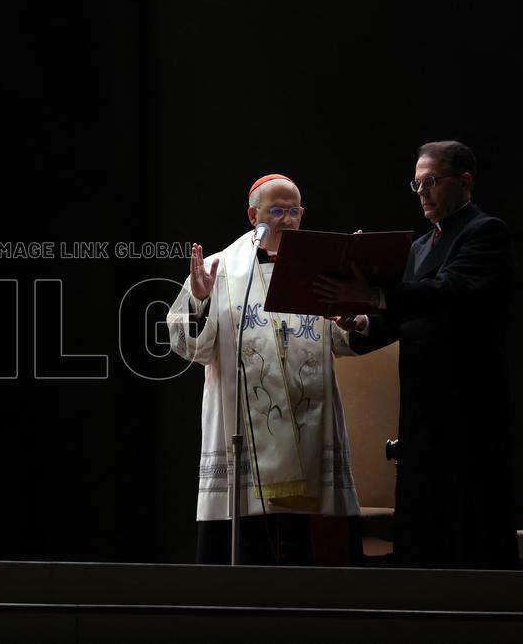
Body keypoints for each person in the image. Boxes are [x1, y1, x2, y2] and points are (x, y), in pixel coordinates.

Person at [314, 141, 517, 569]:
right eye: (417, 183)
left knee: (468, 510)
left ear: (464, 182)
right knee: (423, 507)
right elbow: (397, 316)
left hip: (470, 400)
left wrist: (374, 295)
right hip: (422, 403)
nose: (422, 192)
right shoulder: (420, 246)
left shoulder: (486, 231)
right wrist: (361, 320)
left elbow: (450, 291)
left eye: (432, 182)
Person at [167, 174, 361, 565]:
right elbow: (192, 348)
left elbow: (342, 343)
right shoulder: (218, 269)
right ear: (252, 214)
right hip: (242, 425)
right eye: (276, 211)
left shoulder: (322, 266)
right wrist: (200, 302)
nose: (287, 220)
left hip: (310, 422)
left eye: (294, 211)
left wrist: (350, 316)